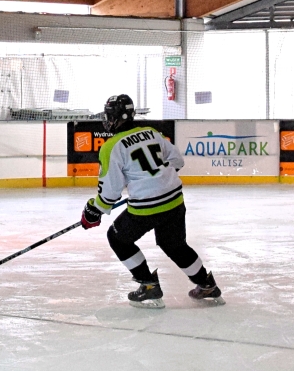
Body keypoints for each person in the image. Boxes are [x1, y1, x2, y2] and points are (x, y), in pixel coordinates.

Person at [80, 94, 221, 308]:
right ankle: (207, 285)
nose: (106, 120)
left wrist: (94, 210)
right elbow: (177, 161)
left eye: (109, 115)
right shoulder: (151, 132)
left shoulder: (111, 147)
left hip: (147, 206)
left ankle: (148, 286)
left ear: (117, 117)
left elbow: (109, 193)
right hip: (174, 199)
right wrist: (157, 179)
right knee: (174, 244)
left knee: (117, 238)